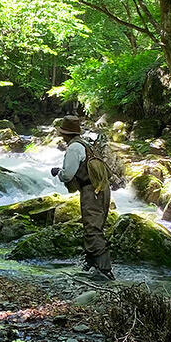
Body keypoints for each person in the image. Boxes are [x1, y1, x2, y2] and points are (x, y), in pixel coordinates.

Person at [50, 116, 114, 280]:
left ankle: (104, 270)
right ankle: (91, 262)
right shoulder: (86, 145)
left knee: (92, 228)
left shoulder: (74, 148)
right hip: (102, 188)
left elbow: (68, 174)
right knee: (95, 225)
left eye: (63, 133)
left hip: (91, 190)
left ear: (66, 134)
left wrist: (58, 172)